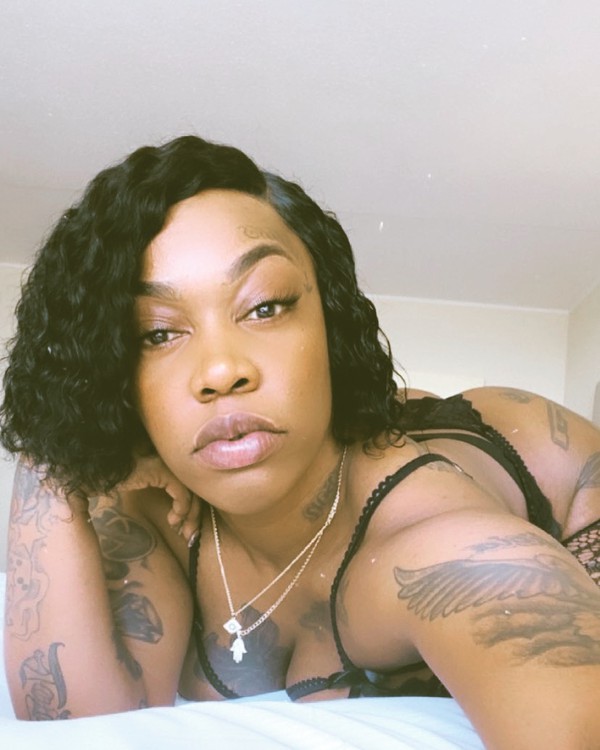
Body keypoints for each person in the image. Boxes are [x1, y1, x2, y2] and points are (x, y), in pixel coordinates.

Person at [1, 135, 599, 748]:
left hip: (561, 474)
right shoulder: (151, 504)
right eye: (156, 333)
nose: (220, 370)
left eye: (265, 306)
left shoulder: (451, 551)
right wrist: (55, 443)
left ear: (330, 321)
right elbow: (78, 720)